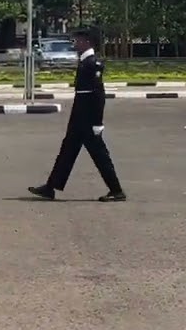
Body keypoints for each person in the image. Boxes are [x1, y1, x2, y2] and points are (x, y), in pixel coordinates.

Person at [27, 26, 126, 203]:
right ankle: (50, 187)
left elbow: (98, 95)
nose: (75, 44)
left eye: (78, 40)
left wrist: (97, 122)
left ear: (87, 42)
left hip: (88, 120)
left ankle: (116, 190)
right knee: (67, 152)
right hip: (79, 118)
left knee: (100, 155)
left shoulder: (92, 63)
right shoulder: (84, 61)